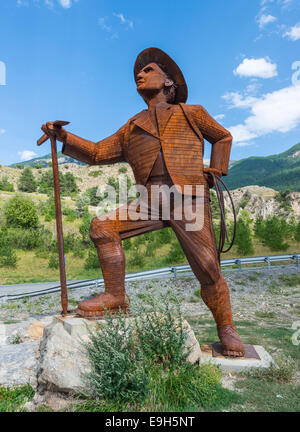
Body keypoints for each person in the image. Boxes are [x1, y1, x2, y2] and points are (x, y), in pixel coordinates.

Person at [41, 48, 245, 357]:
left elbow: (223, 137)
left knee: (207, 265)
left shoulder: (193, 113)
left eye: (148, 70)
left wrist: (216, 170)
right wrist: (64, 138)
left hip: (187, 197)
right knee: (103, 225)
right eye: (139, 72)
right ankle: (115, 297)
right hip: (150, 200)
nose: (140, 74)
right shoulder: (132, 127)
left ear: (168, 82)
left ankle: (226, 328)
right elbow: (96, 153)